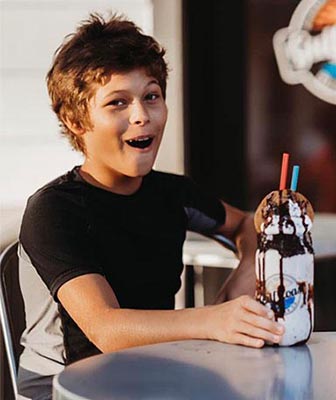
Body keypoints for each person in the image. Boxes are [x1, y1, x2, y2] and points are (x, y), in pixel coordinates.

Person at [17, 14, 283, 399]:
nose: (141, 114)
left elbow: (249, 223)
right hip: (64, 384)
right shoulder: (54, 210)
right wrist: (214, 319)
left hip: (150, 370)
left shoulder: (172, 194)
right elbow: (107, 330)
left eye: (151, 96)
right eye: (118, 103)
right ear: (76, 120)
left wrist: (241, 277)